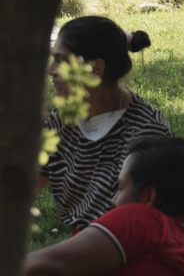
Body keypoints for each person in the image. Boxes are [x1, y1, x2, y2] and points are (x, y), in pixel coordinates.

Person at [39, 17, 172, 232]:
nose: (50, 70)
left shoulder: (146, 133)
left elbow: (138, 228)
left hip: (129, 248)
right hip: (86, 245)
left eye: (60, 61)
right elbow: (20, 186)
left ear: (95, 68)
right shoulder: (63, 119)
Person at [25, 137, 184, 275]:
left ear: (148, 197)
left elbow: (43, 266)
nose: (113, 200)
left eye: (121, 187)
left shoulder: (143, 219)